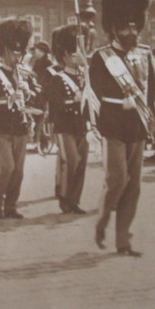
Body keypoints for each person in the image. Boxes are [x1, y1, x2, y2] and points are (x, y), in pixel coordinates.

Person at [90, 0, 155, 256]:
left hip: (137, 127)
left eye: (136, 27)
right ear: (113, 28)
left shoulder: (145, 55)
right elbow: (92, 96)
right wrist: (92, 128)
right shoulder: (100, 58)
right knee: (118, 180)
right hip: (112, 126)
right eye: (126, 27)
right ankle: (103, 218)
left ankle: (123, 240)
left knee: (133, 186)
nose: (132, 32)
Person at [0, 18, 36, 220]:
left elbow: (33, 96)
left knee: (18, 171)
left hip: (20, 126)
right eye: (14, 52)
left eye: (20, 52)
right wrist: (7, 100)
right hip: (2, 126)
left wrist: (27, 92)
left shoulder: (22, 73)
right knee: (6, 168)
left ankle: (11, 205)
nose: (17, 56)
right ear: (4, 50)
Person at [47, 24, 91, 214]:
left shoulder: (84, 79)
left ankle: (75, 200)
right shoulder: (58, 78)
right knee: (71, 161)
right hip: (64, 126)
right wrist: (73, 101)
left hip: (81, 126)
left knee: (81, 164)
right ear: (64, 56)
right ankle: (64, 197)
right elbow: (56, 104)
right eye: (73, 54)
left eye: (78, 54)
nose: (76, 58)